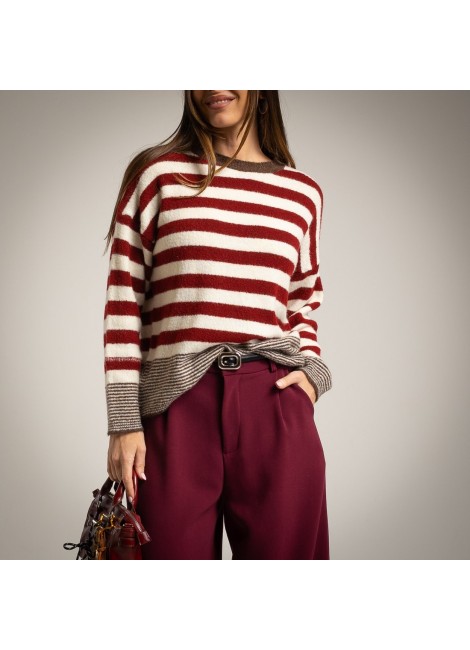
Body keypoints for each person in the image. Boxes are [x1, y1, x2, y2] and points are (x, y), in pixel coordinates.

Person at [103, 90, 333, 559]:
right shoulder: (158, 177)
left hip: (274, 402)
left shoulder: (302, 193)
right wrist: (124, 422)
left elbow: (301, 301)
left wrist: (312, 374)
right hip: (176, 407)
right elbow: (124, 300)